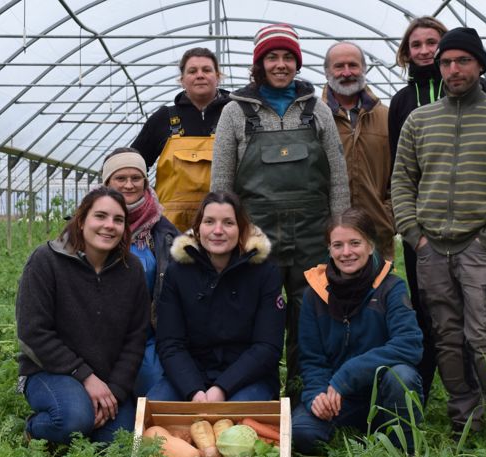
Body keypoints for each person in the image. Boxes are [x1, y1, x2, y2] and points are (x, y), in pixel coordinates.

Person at [391, 27, 486, 442]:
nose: (453, 69)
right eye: (447, 62)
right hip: (431, 249)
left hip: (482, 250)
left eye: (463, 61)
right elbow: (401, 182)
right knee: (448, 340)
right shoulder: (420, 120)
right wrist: (416, 236)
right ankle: (464, 421)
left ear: (480, 65)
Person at [211, 23, 350, 401]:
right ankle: (260, 392)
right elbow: (221, 185)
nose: (280, 64)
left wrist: (339, 229)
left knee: (311, 315)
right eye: (272, 57)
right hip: (258, 237)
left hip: (312, 234)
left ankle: (306, 394)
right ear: (259, 64)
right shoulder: (235, 113)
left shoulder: (317, 111)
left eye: (288, 57)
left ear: (297, 63)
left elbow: (338, 177)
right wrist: (225, 234)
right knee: (259, 317)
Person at [387, 15, 486, 406]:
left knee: (481, 320)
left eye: (431, 42)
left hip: (477, 235)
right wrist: (413, 234)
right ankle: (434, 392)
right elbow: (399, 171)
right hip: (425, 235)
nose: (424, 51)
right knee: (432, 316)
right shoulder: (403, 103)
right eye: (415, 44)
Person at [16, 187, 148, 445]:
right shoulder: (46, 260)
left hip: (107, 378)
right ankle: (35, 428)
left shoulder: (131, 270)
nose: (109, 226)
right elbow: (34, 332)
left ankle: (86, 417)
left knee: (120, 441)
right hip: (50, 371)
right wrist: (85, 376)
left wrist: (116, 392)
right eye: (100, 216)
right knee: (73, 420)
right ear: (82, 219)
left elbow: (136, 338)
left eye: (118, 220)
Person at [292, 208, 422, 455]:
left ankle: (403, 450)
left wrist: (347, 376)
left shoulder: (391, 288)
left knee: (402, 376)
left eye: (355, 243)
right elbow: (312, 359)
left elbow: (409, 344)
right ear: (329, 249)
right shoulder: (313, 294)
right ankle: (342, 429)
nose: (346, 252)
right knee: (302, 434)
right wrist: (317, 396)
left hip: (382, 395)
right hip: (336, 398)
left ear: (371, 246)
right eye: (337, 245)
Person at [149, 191, 285, 402]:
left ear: (241, 229)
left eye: (228, 223)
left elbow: (267, 347)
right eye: (209, 221)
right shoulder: (178, 272)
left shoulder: (265, 272)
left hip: (248, 378)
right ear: (198, 228)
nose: (218, 231)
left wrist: (222, 388)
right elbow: (170, 343)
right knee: (154, 416)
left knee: (235, 422)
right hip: (191, 376)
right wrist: (193, 390)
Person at [101, 147, 180, 399]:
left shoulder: (163, 232)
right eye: (120, 178)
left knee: (158, 398)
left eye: (136, 178)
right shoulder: (87, 226)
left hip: (147, 336)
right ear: (107, 182)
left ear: (146, 182)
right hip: (97, 334)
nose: (129, 185)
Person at [130, 47, 232, 231]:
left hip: (223, 225)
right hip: (171, 228)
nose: (200, 75)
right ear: (182, 80)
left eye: (206, 70)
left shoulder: (235, 114)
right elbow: (132, 163)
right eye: (192, 71)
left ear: (218, 76)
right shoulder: (163, 118)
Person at [321, 41, 395, 259]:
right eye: (339, 66)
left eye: (353, 65)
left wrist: (388, 217)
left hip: (377, 235)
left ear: (364, 68)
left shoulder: (387, 117)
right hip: (329, 237)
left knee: (379, 291)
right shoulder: (314, 118)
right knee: (331, 291)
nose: (346, 73)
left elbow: (401, 175)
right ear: (327, 72)